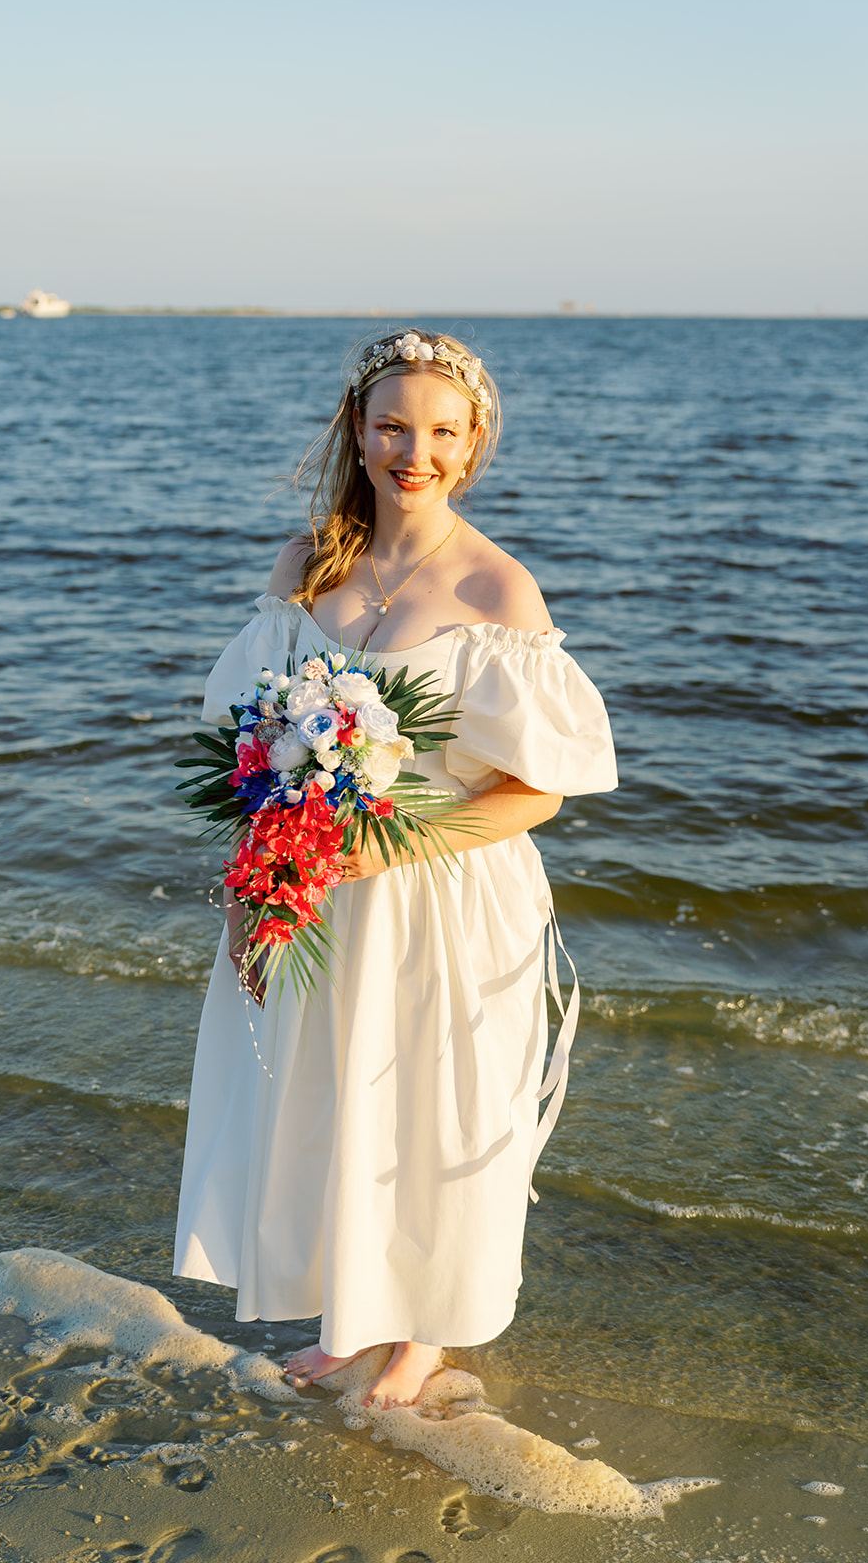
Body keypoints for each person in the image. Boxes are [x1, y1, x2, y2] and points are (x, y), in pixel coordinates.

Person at [172, 330, 618, 1409]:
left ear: (470, 448)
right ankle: (351, 1315)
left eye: (440, 432)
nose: (413, 451)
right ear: (357, 433)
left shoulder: (496, 589)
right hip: (311, 887)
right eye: (391, 426)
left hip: (444, 894)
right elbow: (255, 750)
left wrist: (380, 842)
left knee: (431, 1107)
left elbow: (536, 791)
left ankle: (423, 1332)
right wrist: (252, 884)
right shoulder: (305, 566)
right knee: (331, 1097)